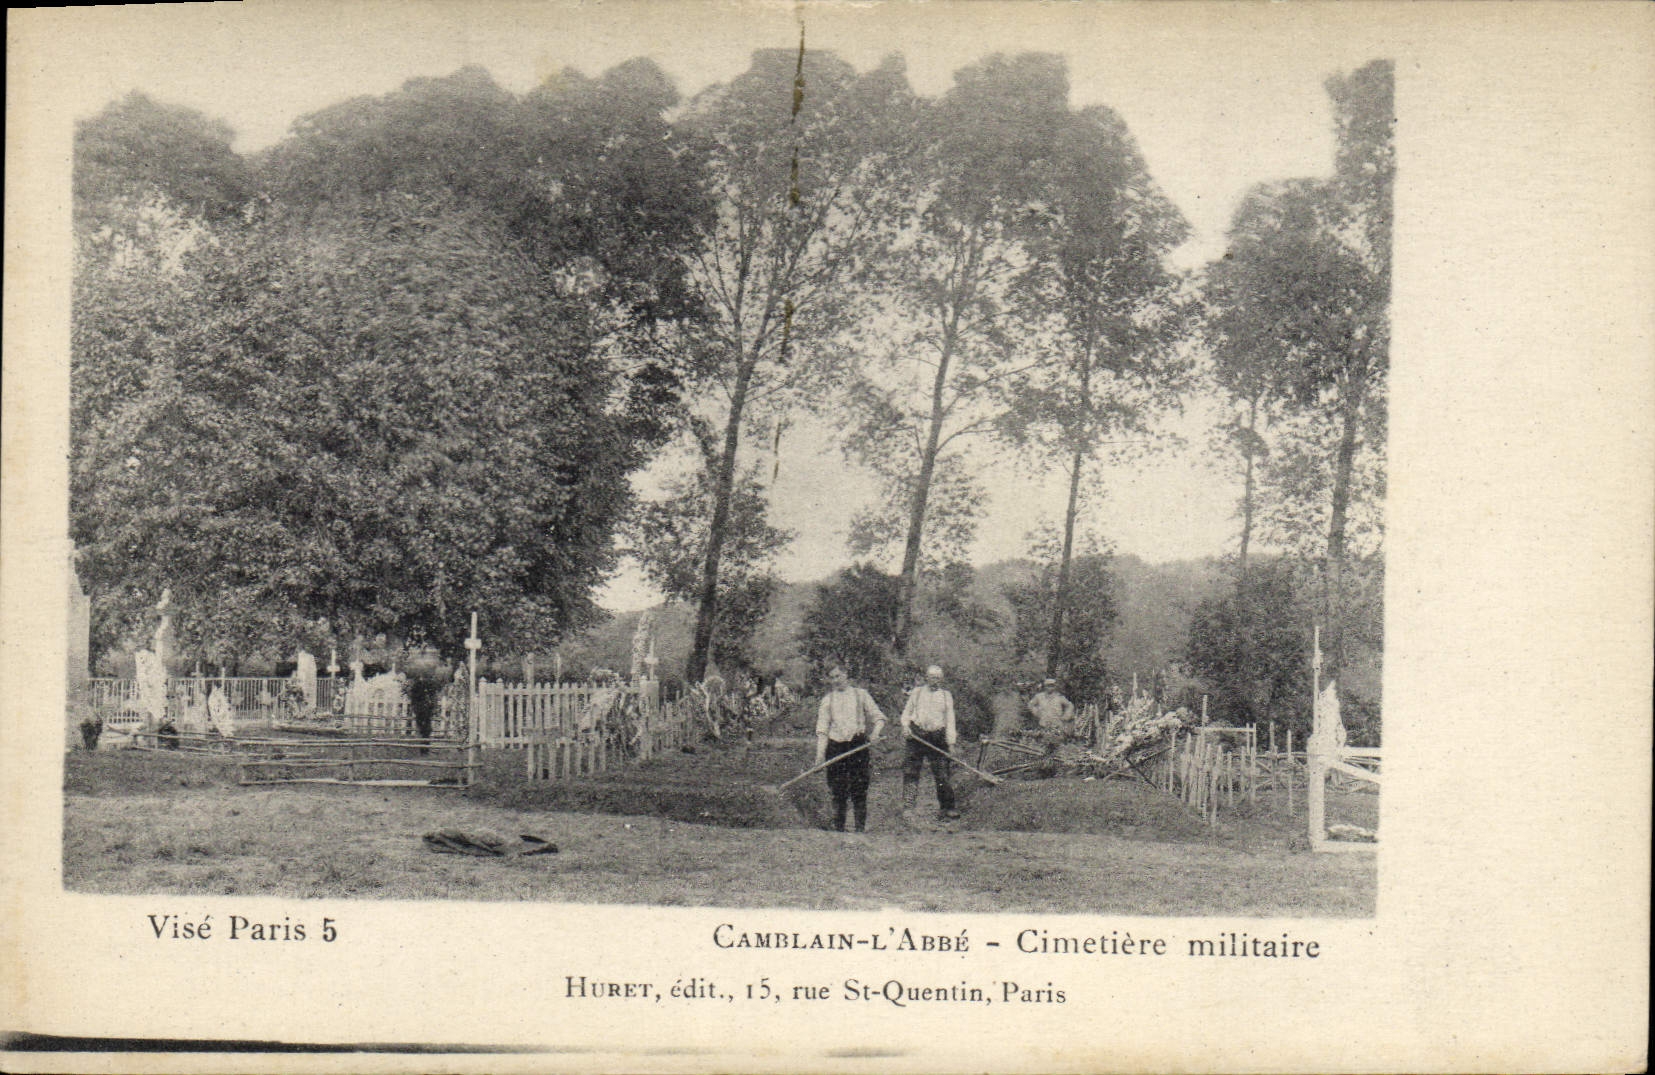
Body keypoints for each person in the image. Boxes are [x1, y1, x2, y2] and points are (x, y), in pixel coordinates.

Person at [814, 665, 886, 832]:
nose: (835, 681)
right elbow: (822, 730)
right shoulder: (827, 700)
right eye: (832, 678)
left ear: (846, 675)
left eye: (838, 676)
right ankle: (839, 829)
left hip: (857, 746)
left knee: (859, 787)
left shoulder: (861, 695)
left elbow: (879, 717)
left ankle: (859, 829)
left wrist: (875, 733)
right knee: (837, 789)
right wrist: (819, 756)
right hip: (835, 747)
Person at [900, 665, 959, 820]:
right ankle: (908, 807)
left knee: (942, 773)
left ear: (942, 679)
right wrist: (906, 727)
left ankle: (947, 808)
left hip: (937, 737)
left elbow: (950, 720)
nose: (935, 680)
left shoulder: (946, 696)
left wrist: (951, 743)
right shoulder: (917, 693)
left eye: (938, 677)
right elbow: (906, 713)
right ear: (926, 677)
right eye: (932, 677)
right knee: (911, 771)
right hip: (917, 735)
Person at [1027, 678, 1076, 745]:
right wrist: (1036, 712)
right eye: (1048, 686)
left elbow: (1070, 705)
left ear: (1055, 687)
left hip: (1056, 724)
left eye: (1052, 686)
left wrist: (1066, 716)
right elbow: (1031, 704)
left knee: (1057, 743)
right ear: (1045, 686)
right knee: (1042, 742)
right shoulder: (1039, 696)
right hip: (1043, 723)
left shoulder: (1059, 697)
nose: (1050, 688)